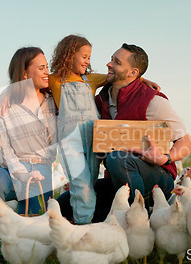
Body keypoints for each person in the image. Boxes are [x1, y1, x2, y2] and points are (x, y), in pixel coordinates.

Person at [49, 34, 161, 224]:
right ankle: (83, 224)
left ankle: (89, 223)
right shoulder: (54, 80)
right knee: (81, 184)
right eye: (83, 56)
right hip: (71, 139)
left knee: (90, 182)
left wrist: (143, 80)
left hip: (94, 136)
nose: (87, 61)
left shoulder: (90, 79)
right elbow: (31, 82)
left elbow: (122, 76)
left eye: (89, 57)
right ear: (68, 55)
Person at [0, 47, 56, 249]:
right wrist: (21, 173)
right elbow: (4, 150)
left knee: (32, 234)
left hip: (42, 169)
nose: (47, 72)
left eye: (47, 67)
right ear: (24, 73)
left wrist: (143, 81)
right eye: (41, 68)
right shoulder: (4, 106)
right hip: (9, 166)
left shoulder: (54, 100)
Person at [94, 43, 191, 206]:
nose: (109, 64)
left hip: (157, 177)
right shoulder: (100, 100)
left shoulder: (153, 101)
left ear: (133, 73)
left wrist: (164, 158)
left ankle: (139, 216)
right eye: (111, 59)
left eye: (117, 62)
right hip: (119, 179)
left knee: (117, 158)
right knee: (68, 203)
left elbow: (187, 143)